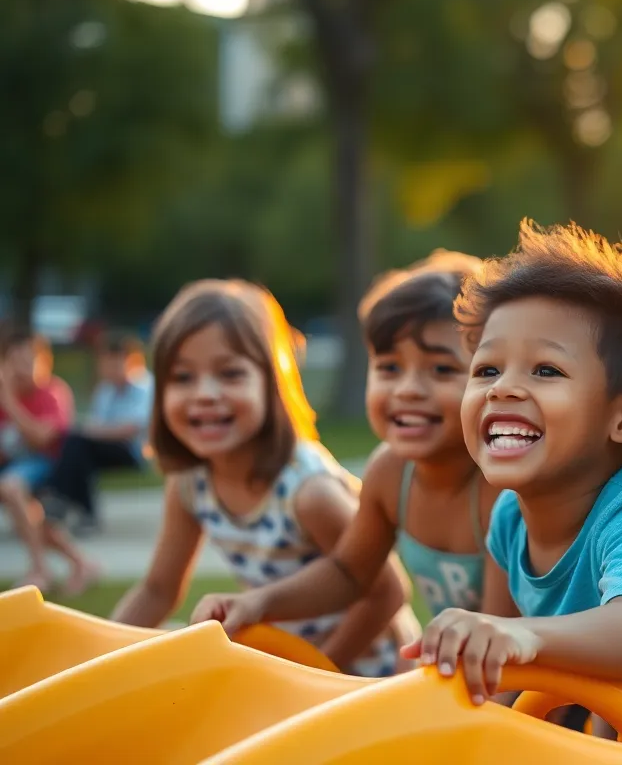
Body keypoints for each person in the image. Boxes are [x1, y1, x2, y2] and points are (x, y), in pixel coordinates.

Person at [400, 220, 622, 759]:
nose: (503, 387)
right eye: (487, 369)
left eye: (546, 370)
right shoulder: (510, 517)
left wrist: (523, 639)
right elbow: (501, 675)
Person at [191, 252, 494, 658]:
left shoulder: (500, 488)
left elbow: (504, 626)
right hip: (477, 670)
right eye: (389, 368)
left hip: (545, 684)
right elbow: (349, 573)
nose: (407, 389)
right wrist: (260, 602)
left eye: (441, 370)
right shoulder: (390, 472)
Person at [112, 279, 406, 677]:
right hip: (287, 669)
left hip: (369, 676)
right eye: (183, 377)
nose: (205, 393)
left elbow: (387, 592)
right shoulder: (189, 484)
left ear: (272, 382)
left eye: (230, 374)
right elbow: (157, 590)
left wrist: (320, 671)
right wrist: (104, 659)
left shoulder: (308, 491)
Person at [41, 332, 154, 534]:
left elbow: (131, 429)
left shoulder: (145, 387)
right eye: (105, 363)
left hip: (135, 450)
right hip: (104, 447)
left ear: (131, 361)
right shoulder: (106, 390)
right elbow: (96, 426)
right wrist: (89, 432)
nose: (108, 368)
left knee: (77, 441)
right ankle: (82, 511)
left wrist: (89, 432)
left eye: (114, 363)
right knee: (78, 448)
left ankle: (59, 495)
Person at [0, 326, 77, 593]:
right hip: (14, 468)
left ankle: (39, 568)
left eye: (28, 360)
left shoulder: (53, 393)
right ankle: (82, 564)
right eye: (15, 361)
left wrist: (8, 400)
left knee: (11, 487)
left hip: (48, 465)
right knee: (25, 512)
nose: (22, 368)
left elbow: (41, 439)